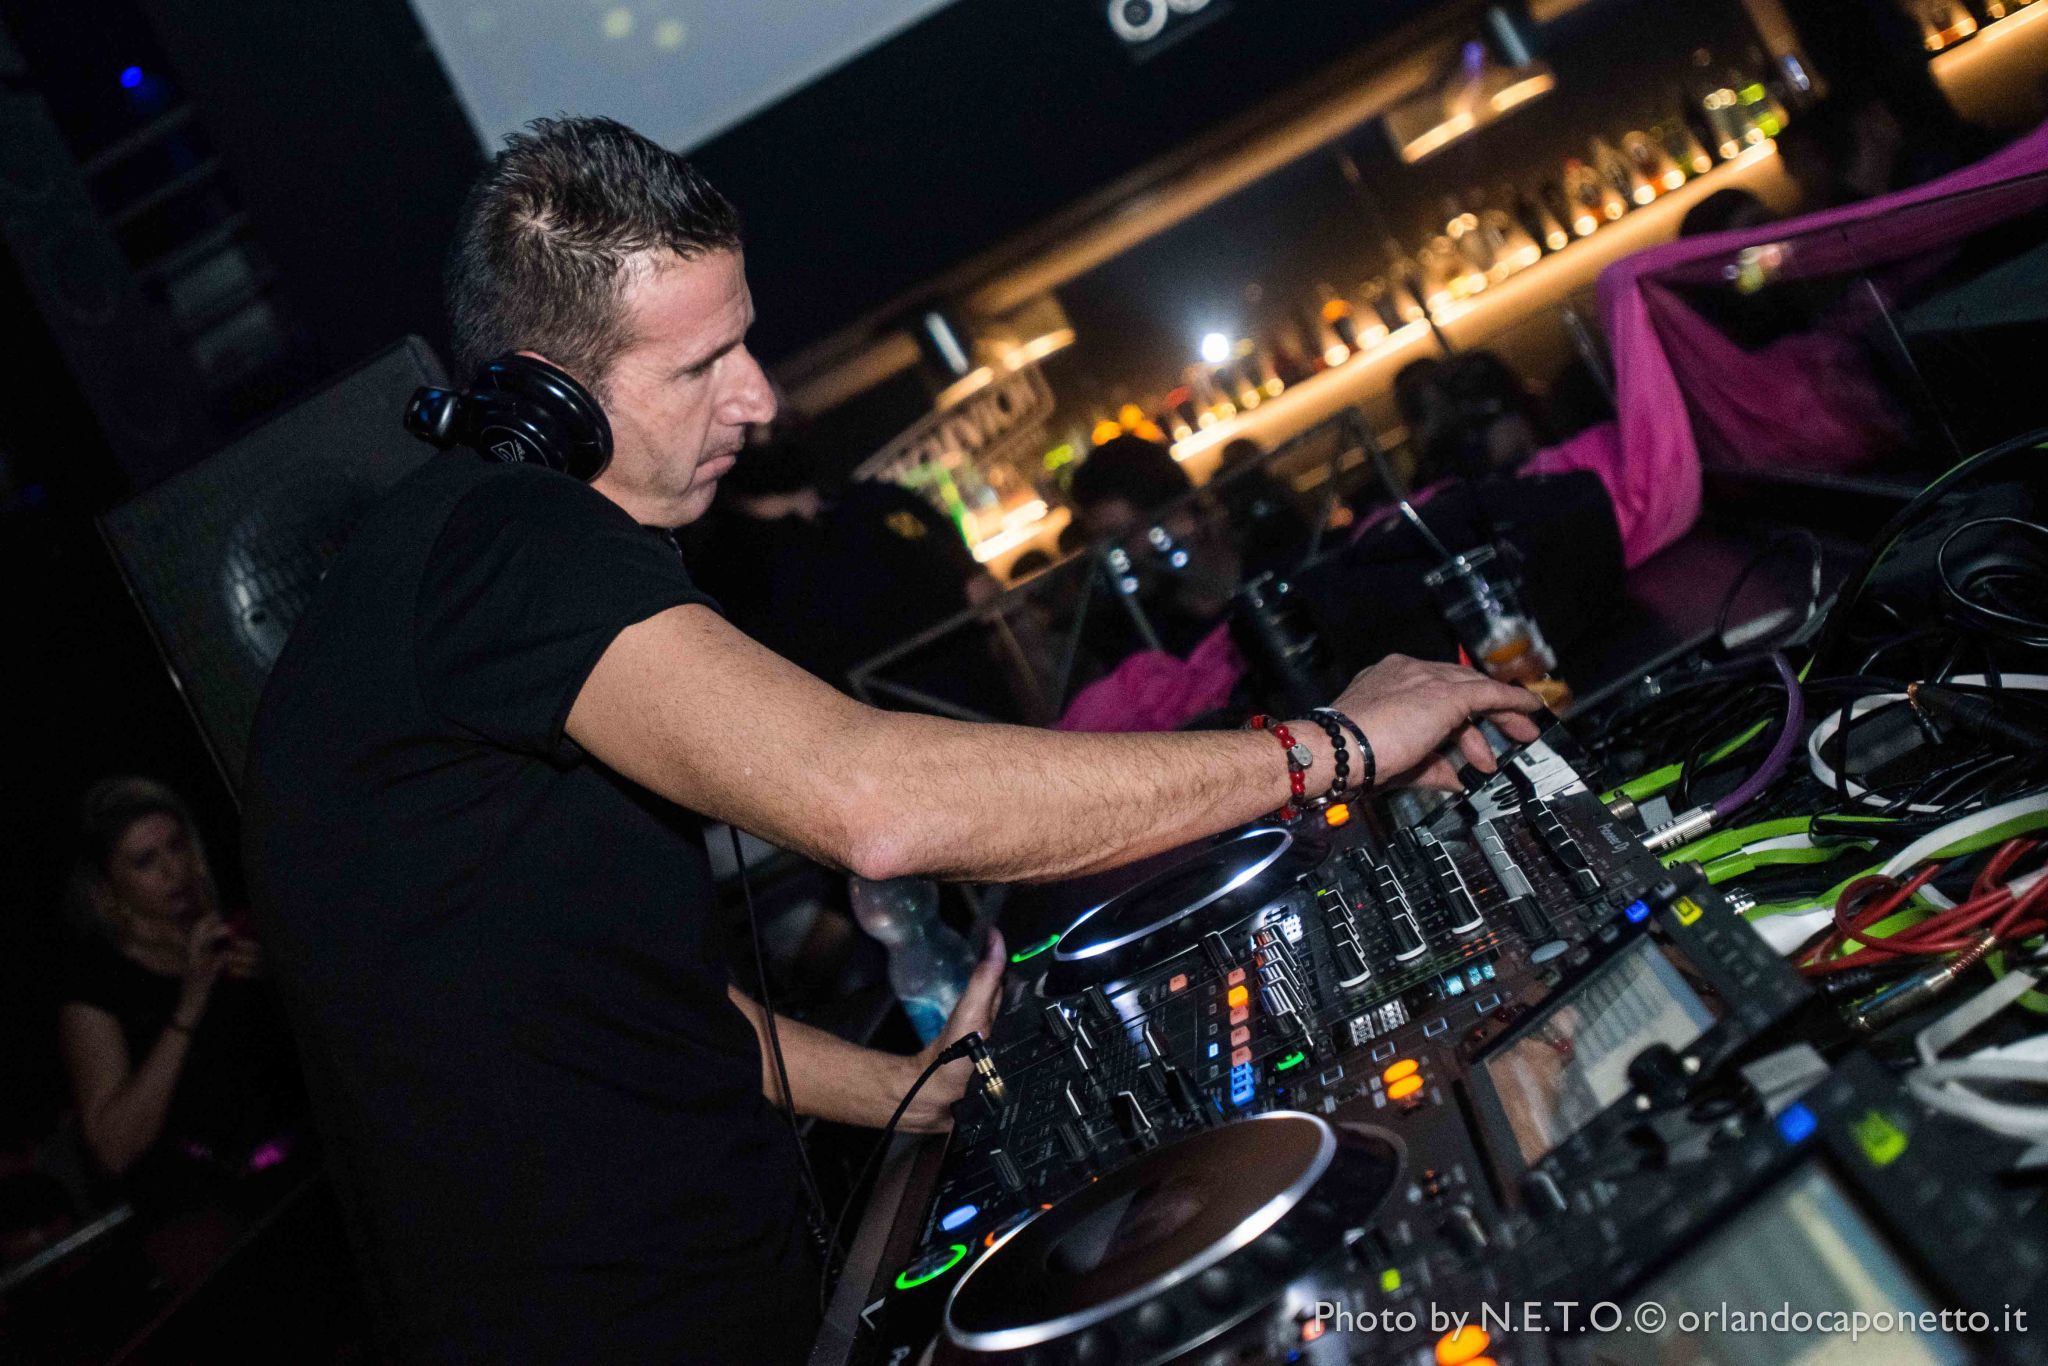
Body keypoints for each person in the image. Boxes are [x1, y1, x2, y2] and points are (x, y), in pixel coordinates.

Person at [241, 116, 1542, 1366]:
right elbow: (870, 798)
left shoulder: (456, 577)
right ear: (548, 396)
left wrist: (897, 1092)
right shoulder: (508, 541)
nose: (757, 399)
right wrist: (1331, 747)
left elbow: (612, 985)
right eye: (699, 367)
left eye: (745, 342)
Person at [57, 778, 301, 1287]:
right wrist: (189, 1006)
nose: (174, 870)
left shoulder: (240, 932)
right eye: (146, 862)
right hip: (204, 1223)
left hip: (299, 1175)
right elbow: (114, 1148)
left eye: (177, 845)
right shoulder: (98, 991)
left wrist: (279, 978)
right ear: (108, 888)